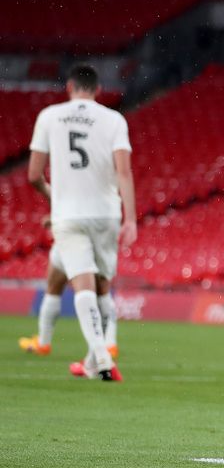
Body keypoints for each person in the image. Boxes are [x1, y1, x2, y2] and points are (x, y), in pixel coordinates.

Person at [27, 64, 137, 381]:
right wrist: (131, 218)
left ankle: (99, 357)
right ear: (98, 90)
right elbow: (124, 173)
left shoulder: (50, 116)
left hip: (69, 215)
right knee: (102, 288)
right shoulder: (114, 119)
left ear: (70, 87)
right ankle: (95, 360)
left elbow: (34, 175)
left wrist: (53, 197)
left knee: (83, 287)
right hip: (106, 213)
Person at [19, 219, 120, 359]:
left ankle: (43, 343)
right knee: (102, 290)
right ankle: (109, 345)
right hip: (101, 231)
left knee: (54, 286)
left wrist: (57, 217)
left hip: (74, 233)